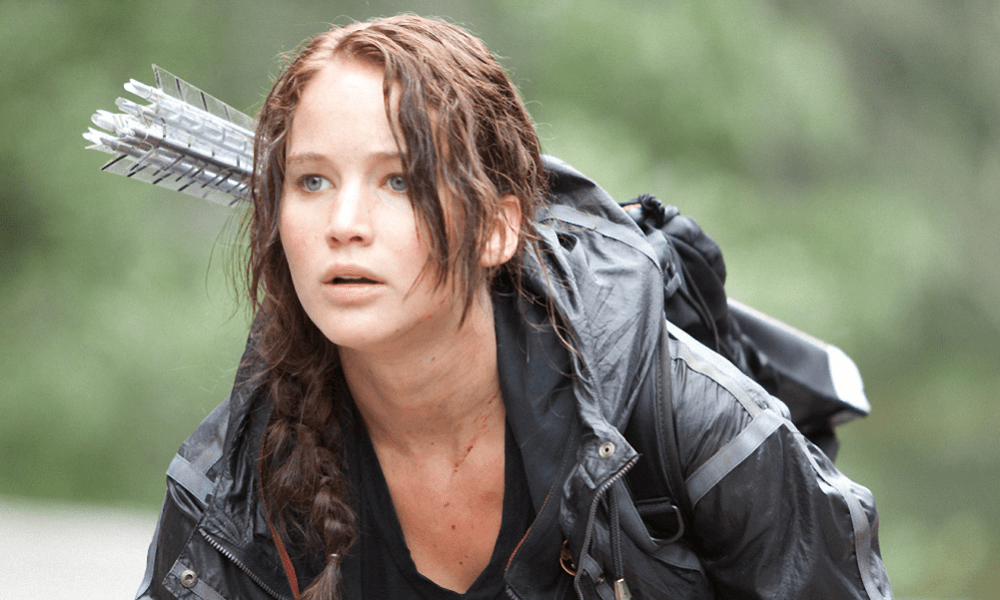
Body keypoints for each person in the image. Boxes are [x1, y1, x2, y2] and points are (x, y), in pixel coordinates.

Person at [136, 14, 892, 600]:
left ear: (498, 228)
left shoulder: (691, 422)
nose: (344, 223)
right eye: (311, 181)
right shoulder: (232, 486)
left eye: (399, 180)